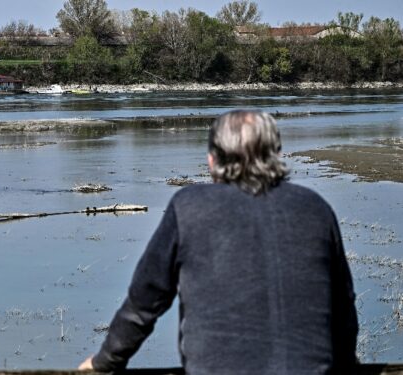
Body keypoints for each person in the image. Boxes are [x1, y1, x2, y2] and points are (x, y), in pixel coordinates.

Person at [79, 110, 358, 374]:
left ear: (212, 159)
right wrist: (345, 364)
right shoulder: (315, 208)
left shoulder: (189, 207)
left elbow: (144, 302)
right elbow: (343, 308)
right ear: (277, 155)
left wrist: (105, 361)